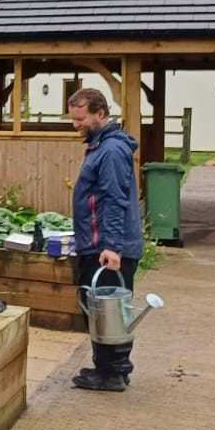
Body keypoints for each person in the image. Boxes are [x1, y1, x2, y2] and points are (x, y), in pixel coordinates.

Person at [67, 87, 144, 392]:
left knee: (109, 312)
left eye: (81, 118)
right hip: (99, 243)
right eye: (73, 119)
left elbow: (113, 200)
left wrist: (111, 246)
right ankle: (110, 369)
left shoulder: (111, 151)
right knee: (102, 310)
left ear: (100, 113)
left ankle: (113, 373)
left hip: (109, 247)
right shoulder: (101, 146)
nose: (76, 125)